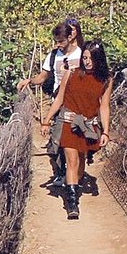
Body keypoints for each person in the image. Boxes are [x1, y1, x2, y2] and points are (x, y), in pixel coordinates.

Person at [40, 40, 112, 219]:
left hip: (88, 126)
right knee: (71, 161)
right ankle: (72, 203)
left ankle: (74, 185)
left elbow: (104, 106)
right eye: (85, 57)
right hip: (68, 123)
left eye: (90, 58)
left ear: (99, 59)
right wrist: (47, 120)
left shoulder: (106, 80)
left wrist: (105, 131)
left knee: (79, 164)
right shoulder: (71, 74)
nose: (87, 61)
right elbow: (59, 99)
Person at [17, 19, 84, 186]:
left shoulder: (82, 54)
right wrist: (30, 81)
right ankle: (66, 174)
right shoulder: (53, 56)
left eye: (61, 41)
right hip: (59, 103)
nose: (59, 45)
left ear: (70, 37)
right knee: (57, 141)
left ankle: (73, 176)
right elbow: (43, 76)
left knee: (77, 142)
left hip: (79, 105)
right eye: (57, 42)